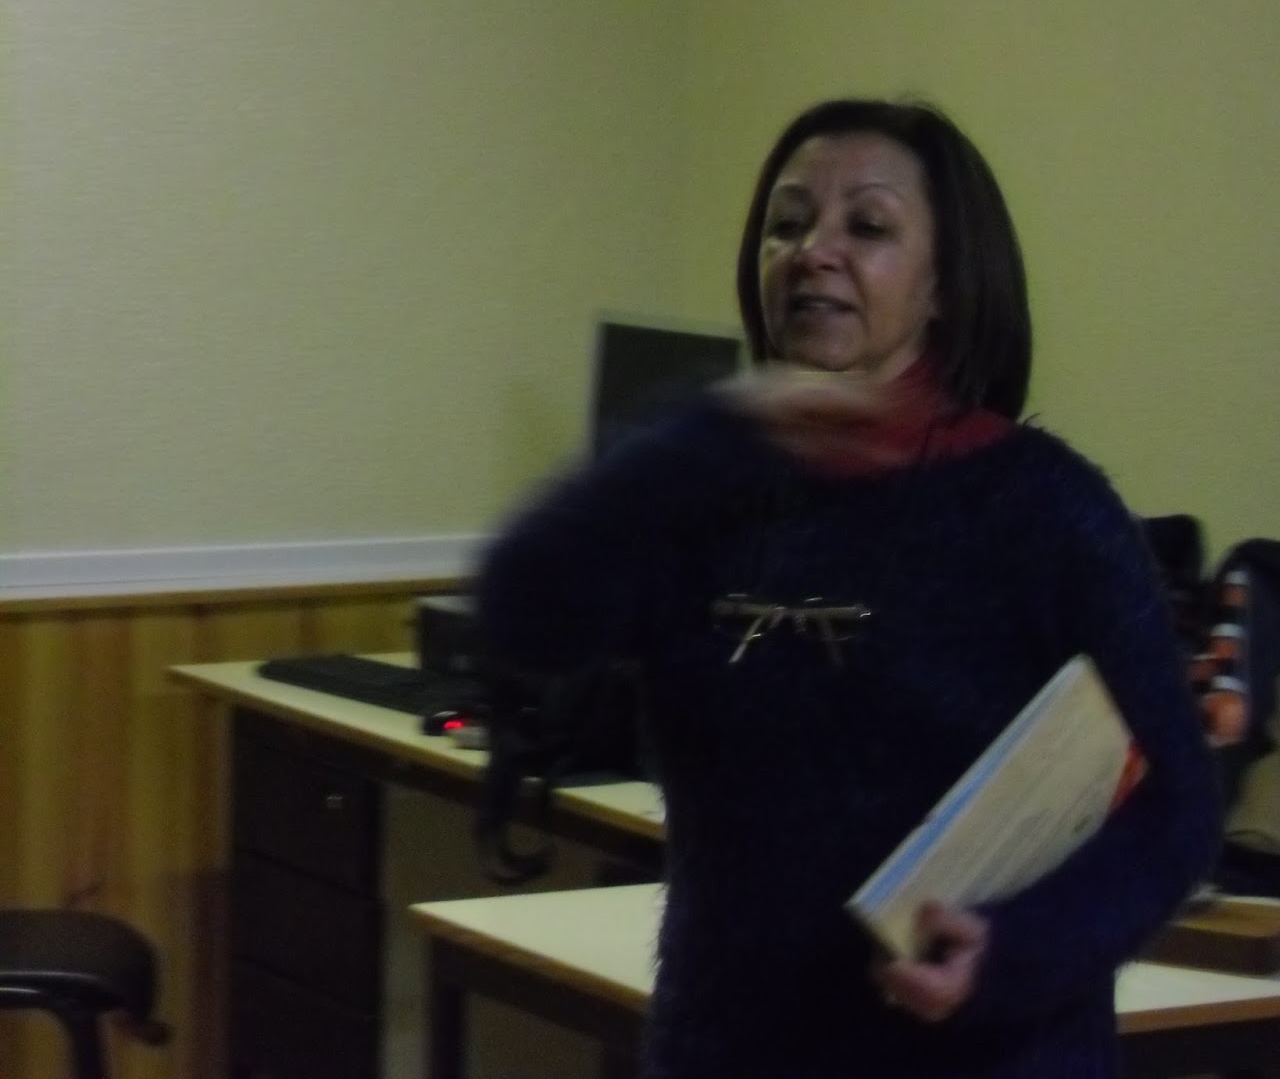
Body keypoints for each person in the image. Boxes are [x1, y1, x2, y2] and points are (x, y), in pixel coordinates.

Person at [476, 98, 1221, 1079]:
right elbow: (524, 620)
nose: (812, 252)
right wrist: (698, 441)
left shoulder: (1045, 509)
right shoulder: (701, 482)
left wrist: (1014, 953)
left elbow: (1175, 813)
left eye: (866, 227)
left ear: (944, 285)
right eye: (786, 224)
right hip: (727, 1050)